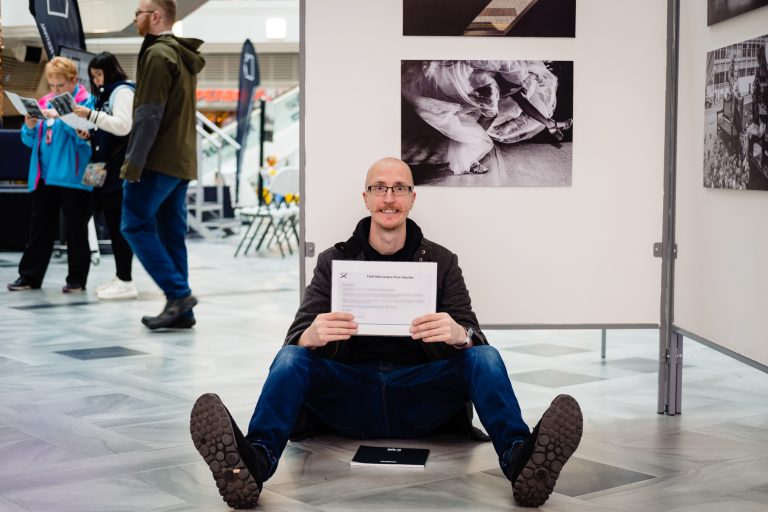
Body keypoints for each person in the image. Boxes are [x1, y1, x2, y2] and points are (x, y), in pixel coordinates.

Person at [190, 157, 583, 509]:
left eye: (399, 188)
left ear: (412, 198)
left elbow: (473, 334)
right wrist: (308, 337)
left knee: (485, 356)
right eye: (379, 188)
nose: (389, 198)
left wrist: (459, 334)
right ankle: (251, 465)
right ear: (366, 198)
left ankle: (523, 462)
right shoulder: (334, 260)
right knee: (292, 357)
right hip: (350, 396)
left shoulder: (442, 261)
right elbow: (294, 338)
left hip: (422, 396)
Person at [120, 0, 205, 328]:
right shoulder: (181, 54)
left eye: (138, 13)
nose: (135, 18)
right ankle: (182, 312)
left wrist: (133, 164)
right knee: (171, 235)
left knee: (134, 224)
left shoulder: (158, 54)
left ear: (155, 16)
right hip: (181, 160)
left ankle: (178, 294)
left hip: (157, 161)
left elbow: (148, 114)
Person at [7, 57, 94, 293]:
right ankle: (29, 277)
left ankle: (76, 279)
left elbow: (86, 140)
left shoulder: (86, 102)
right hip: (44, 176)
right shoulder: (44, 102)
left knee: (76, 230)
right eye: (52, 85)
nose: (55, 91)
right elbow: (29, 141)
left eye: (61, 85)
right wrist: (29, 126)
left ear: (73, 81)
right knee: (40, 227)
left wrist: (63, 116)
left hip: (73, 177)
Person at [401, 60, 573, 176]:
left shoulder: (504, 68)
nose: (520, 89)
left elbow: (520, 95)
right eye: (515, 88)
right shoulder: (490, 88)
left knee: (509, 102)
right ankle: (468, 159)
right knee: (480, 125)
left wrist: (549, 123)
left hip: (458, 79)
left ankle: (550, 124)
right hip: (443, 87)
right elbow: (510, 98)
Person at [73, 52, 138, 300]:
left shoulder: (121, 92)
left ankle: (125, 278)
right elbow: (108, 129)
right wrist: (89, 133)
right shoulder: (105, 95)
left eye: (99, 75)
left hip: (116, 171)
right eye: (93, 76)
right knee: (106, 222)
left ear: (110, 71)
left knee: (118, 225)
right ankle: (121, 276)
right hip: (100, 167)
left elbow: (123, 125)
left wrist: (90, 116)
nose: (96, 80)